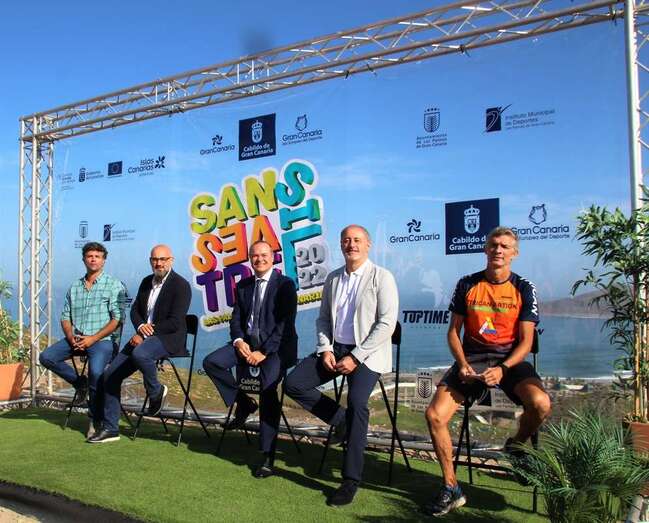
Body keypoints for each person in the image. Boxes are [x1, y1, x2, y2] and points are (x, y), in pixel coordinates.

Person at [423, 226, 552, 516]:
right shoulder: (467, 283)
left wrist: (504, 369)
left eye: (505, 246)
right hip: (472, 358)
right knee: (434, 415)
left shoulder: (524, 287)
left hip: (510, 360)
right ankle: (451, 488)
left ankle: (516, 447)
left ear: (514, 253)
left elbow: (527, 341)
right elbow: (453, 332)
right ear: (485, 249)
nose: (498, 250)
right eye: (494, 244)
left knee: (541, 404)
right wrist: (462, 363)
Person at [285, 224, 398, 506]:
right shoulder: (333, 278)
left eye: (357, 240)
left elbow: (387, 324)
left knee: (358, 404)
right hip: (335, 350)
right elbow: (323, 319)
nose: (352, 245)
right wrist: (325, 348)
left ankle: (350, 481)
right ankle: (341, 421)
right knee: (293, 384)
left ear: (368, 245)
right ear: (341, 245)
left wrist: (356, 357)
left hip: (367, 355)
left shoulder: (382, 277)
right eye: (346, 240)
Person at [202, 240, 298, 477]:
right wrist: (238, 341)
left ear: (273, 257)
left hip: (276, 349)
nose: (259, 259)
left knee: (267, 389)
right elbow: (236, 319)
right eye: (255, 255)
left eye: (264, 255)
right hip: (246, 345)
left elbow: (285, 325)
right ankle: (244, 403)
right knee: (212, 362)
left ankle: (267, 455)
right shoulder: (244, 285)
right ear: (249, 258)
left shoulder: (285, 285)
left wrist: (264, 352)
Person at [88, 244, 191, 443]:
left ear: (171, 260)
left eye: (163, 259)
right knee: (109, 376)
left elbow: (175, 322)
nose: (158, 263)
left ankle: (156, 392)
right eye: (155, 259)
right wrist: (142, 326)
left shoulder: (181, 285)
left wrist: (145, 333)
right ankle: (110, 429)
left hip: (168, 338)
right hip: (143, 337)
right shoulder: (146, 282)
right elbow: (135, 310)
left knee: (140, 353)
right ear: (150, 261)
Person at [39, 242, 126, 439]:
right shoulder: (75, 287)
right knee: (47, 357)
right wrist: (71, 337)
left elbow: (117, 320)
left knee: (96, 372)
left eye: (97, 256)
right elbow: (65, 317)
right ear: (84, 259)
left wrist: (92, 339)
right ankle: (80, 383)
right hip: (76, 338)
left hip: (102, 340)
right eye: (89, 256)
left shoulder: (113, 285)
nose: (93, 259)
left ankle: (95, 419)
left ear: (104, 260)